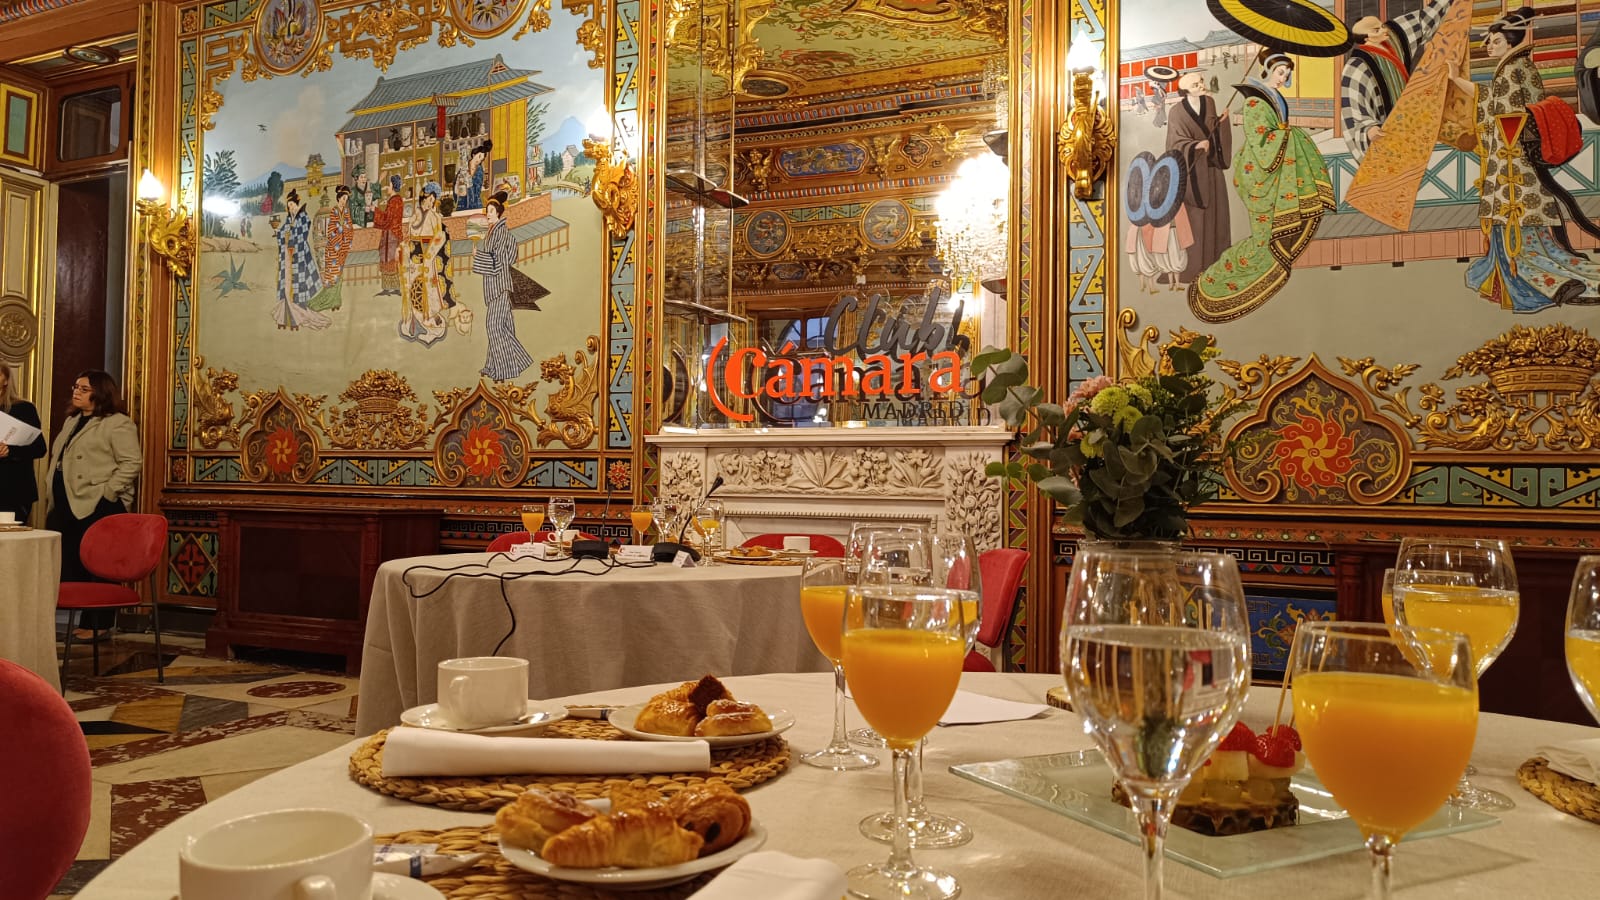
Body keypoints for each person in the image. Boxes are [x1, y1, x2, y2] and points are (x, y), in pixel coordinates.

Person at [1454, 7, 1600, 311]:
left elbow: (1503, 113)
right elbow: (1490, 99)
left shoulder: (1513, 69)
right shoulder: (1516, 66)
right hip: (1512, 158)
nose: (1489, 47)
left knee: (1518, 224)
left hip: (1512, 162)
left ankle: (1532, 282)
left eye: (1494, 41)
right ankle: (1509, 278)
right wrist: (1456, 81)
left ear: (1509, 41)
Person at [1188, 50, 1334, 323]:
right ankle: (1221, 280)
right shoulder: (1256, 102)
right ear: (1266, 69)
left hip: (1273, 168)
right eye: (1280, 73)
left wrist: (1286, 133)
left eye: (1287, 75)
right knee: (1262, 239)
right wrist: (1287, 134)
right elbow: (1260, 141)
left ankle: (1270, 260)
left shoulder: (1273, 97)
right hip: (1258, 171)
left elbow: (1278, 130)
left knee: (1269, 237)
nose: (1283, 78)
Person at [45, 370, 141, 585]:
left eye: (84, 389)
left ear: (101, 393)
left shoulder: (117, 423)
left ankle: (97, 620)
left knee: (100, 569)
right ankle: (71, 619)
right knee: (67, 570)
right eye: (76, 387)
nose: (76, 392)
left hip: (97, 505)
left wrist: (107, 492)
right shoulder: (72, 420)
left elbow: (132, 462)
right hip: (65, 504)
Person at [1339, 0, 1453, 159]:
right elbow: (1354, 105)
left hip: (1407, 123)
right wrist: (1368, 128)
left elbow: (1422, 20)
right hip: (1384, 128)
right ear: (1366, 38)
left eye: (1382, 26)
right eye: (1377, 30)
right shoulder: (1357, 66)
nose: (1384, 30)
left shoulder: (1393, 40)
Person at [1166, 72, 1232, 285]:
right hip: (1193, 175)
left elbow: (1213, 132)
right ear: (1185, 91)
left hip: (1212, 171)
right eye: (1196, 84)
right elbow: (1174, 143)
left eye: (1201, 82)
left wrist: (1222, 124)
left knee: (1218, 216)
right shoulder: (1176, 112)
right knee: (1194, 222)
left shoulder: (1210, 103)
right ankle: (1193, 269)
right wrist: (1194, 146)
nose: (1201, 86)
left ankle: (1217, 266)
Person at [471, 191, 534, 381]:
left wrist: (478, 257)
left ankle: (508, 367)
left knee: (494, 327)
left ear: (498, 213)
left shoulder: (501, 234)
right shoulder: (494, 234)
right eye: (487, 211)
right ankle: (493, 367)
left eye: (490, 211)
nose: (488, 214)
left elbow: (499, 262)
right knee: (501, 327)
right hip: (496, 286)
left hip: (499, 286)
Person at [399, 182, 458, 345]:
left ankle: (434, 328)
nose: (431, 203)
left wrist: (429, 256)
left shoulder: (435, 217)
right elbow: (409, 237)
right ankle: (413, 323)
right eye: (430, 199)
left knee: (426, 295)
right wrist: (404, 247)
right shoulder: (414, 216)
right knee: (412, 293)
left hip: (427, 261)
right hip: (413, 260)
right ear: (423, 196)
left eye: (433, 200)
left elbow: (440, 238)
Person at [271, 189, 329, 330]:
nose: (290, 208)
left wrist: (288, 236)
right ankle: (287, 313)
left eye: (292, 205)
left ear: (297, 204)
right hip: (289, 255)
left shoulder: (304, 217)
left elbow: (301, 236)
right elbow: (285, 231)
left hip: (300, 253)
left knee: (300, 282)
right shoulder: (289, 219)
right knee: (288, 283)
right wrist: (278, 233)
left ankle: (299, 311)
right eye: (289, 206)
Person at [0, 362, 46, 523]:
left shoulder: (24, 408)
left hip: (13, 489)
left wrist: (10, 451)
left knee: (11, 544)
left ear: (6, 380)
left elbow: (40, 448)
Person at [310, 185, 353, 312]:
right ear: (338, 198)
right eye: (343, 198)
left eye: (346, 199)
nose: (344, 201)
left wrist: (344, 230)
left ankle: (336, 301)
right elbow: (330, 231)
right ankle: (328, 301)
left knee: (339, 276)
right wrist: (340, 230)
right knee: (332, 275)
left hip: (342, 248)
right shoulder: (333, 212)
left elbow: (349, 228)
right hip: (333, 248)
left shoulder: (345, 212)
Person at [374, 175, 407, 296]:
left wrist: (375, 211)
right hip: (392, 233)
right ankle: (389, 288)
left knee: (392, 259)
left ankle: (394, 287)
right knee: (389, 259)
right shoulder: (396, 200)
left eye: (388, 184)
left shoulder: (394, 201)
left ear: (392, 185)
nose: (386, 187)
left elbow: (387, 219)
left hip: (391, 234)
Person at [457, 140, 492, 212]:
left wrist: (469, 184)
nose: (479, 160)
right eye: (479, 156)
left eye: (481, 159)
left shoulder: (479, 170)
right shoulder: (464, 165)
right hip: (462, 200)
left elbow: (477, 190)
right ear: (473, 154)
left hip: (474, 200)